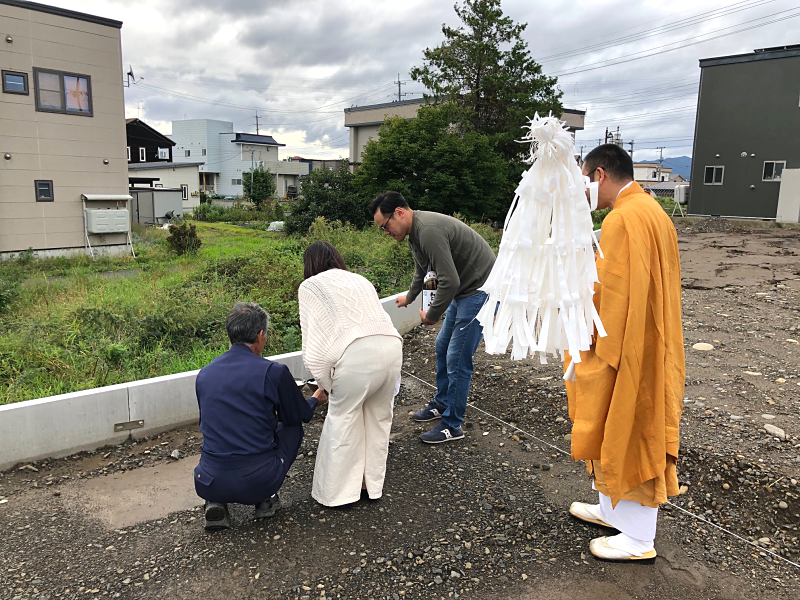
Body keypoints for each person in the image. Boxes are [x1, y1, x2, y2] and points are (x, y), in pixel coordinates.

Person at [565, 144, 684, 562]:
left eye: (583, 182)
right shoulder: (653, 212)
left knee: (628, 426)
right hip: (651, 336)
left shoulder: (622, 219)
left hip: (629, 344)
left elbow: (608, 296)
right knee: (623, 426)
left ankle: (637, 538)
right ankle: (611, 508)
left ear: (599, 175)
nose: (582, 193)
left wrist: (577, 322)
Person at [369, 191, 496, 444]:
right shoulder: (414, 233)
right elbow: (424, 270)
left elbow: (450, 280)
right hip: (465, 291)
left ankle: (452, 425)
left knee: (457, 358)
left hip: (481, 290)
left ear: (400, 213)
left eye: (386, 226)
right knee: (442, 347)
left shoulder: (428, 230)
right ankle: (442, 402)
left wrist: (432, 315)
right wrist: (410, 296)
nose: (386, 232)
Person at [194, 302, 328, 530]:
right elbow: (300, 414)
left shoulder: (205, 374)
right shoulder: (273, 371)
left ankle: (215, 502)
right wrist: (316, 398)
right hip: (257, 481)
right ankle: (265, 500)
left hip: (207, 480)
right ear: (259, 335)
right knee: (292, 426)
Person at [298, 241, 403, 506]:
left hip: (355, 356)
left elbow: (314, 347)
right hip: (392, 347)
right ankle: (371, 487)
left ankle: (337, 494)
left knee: (343, 418)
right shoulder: (360, 279)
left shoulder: (310, 286)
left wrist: (325, 384)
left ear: (309, 264)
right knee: (379, 419)